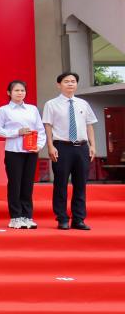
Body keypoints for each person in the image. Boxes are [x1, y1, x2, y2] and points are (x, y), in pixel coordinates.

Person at [42, 72, 98, 230]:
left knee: (80, 184)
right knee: (60, 184)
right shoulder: (51, 104)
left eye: (73, 81)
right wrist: (50, 145)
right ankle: (62, 218)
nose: (70, 84)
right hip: (62, 146)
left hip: (82, 147)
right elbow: (48, 126)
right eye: (66, 81)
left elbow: (89, 125)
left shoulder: (83, 103)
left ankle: (78, 219)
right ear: (59, 84)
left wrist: (93, 145)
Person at [0, 80, 46, 230]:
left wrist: (39, 146)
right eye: (16, 90)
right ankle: (15, 217)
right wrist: (17, 132)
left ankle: (27, 216)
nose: (20, 93)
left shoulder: (32, 109)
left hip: (31, 151)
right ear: (9, 93)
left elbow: (40, 130)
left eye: (22, 90)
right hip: (14, 151)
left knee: (28, 184)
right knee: (15, 184)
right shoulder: (4, 110)